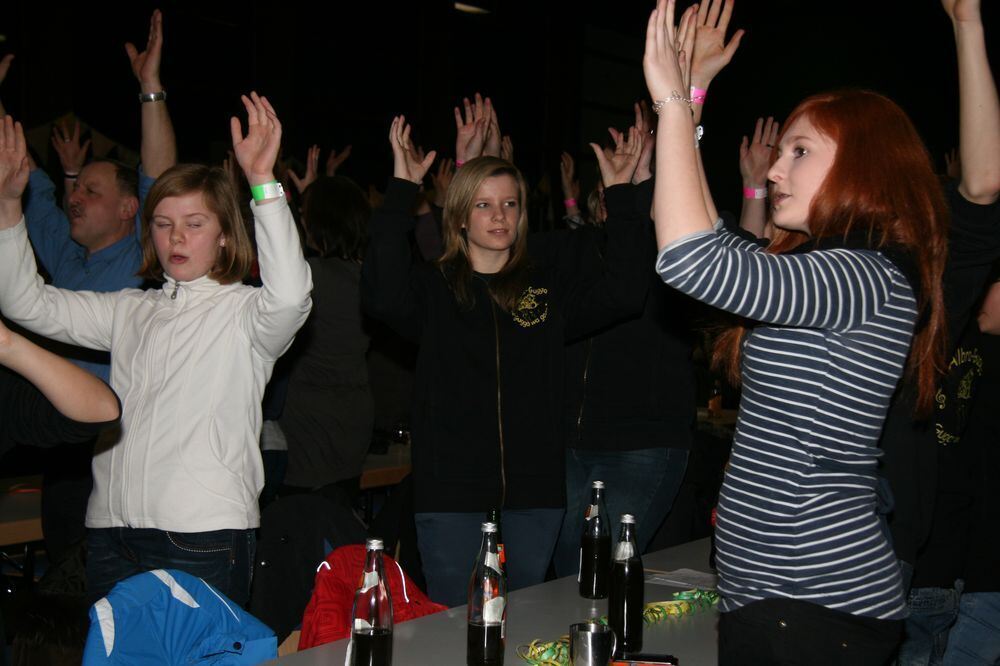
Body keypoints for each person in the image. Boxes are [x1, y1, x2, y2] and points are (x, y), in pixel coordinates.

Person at [643, 1, 948, 663]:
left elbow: (691, 259)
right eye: (779, 153)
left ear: (866, 165)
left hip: (816, 604)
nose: (775, 170)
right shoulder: (828, 274)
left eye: (799, 151)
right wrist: (692, 100)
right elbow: (706, 240)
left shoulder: (865, 276)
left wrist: (669, 98)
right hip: (771, 596)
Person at [0, 93, 312, 606]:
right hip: (109, 534)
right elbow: (24, 302)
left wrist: (262, 181)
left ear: (226, 238)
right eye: (164, 224)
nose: (176, 237)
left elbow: (292, 296)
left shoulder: (246, 314)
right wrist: (12, 206)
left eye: (194, 224)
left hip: (203, 536)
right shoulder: (128, 309)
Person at [362, 115, 649, 606]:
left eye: (510, 205)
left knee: (521, 627)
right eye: (484, 205)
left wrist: (621, 196)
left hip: (533, 498)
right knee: (459, 626)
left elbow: (625, 293)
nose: (500, 217)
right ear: (459, 216)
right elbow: (381, 295)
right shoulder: (434, 290)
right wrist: (401, 190)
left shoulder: (545, 288)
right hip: (450, 497)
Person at [279, 175, 373, 501]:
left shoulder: (308, 277)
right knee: (338, 528)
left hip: (306, 422)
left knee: (301, 529)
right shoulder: (371, 277)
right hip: (354, 417)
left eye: (305, 215)